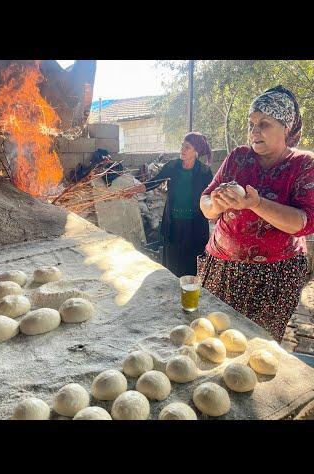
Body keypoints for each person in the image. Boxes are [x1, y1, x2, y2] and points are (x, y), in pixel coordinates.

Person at [198, 85, 314, 342]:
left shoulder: (302, 164)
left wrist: (256, 203)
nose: (254, 131)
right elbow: (205, 202)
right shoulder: (239, 157)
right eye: (251, 124)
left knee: (255, 344)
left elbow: (304, 223)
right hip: (222, 266)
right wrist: (217, 204)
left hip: (273, 276)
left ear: (286, 127)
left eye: (265, 123)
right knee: (212, 336)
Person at [132, 132, 214, 277]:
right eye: (182, 145)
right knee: (173, 262)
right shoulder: (173, 166)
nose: (182, 149)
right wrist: (133, 189)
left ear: (196, 152)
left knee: (191, 263)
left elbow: (210, 196)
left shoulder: (204, 172)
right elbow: (154, 182)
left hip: (194, 225)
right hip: (174, 223)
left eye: (187, 147)